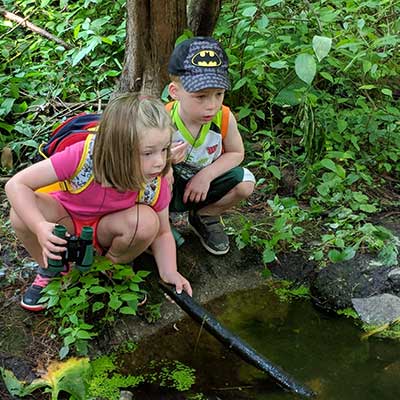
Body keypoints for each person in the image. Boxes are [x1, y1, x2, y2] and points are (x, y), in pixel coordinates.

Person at [5, 93, 192, 312]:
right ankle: (53, 269)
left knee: (147, 222)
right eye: (148, 153)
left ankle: (109, 269)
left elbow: (162, 232)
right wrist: (39, 226)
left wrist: (169, 270)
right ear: (117, 149)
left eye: (164, 150)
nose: (160, 162)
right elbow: (16, 185)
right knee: (19, 214)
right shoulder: (83, 156)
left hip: (108, 230)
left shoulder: (152, 182)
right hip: (66, 220)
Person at [167, 36, 255, 256]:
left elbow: (236, 152)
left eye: (219, 94)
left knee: (245, 182)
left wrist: (206, 175)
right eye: (201, 96)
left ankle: (205, 215)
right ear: (175, 92)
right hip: (170, 186)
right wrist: (165, 162)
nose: (212, 105)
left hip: (204, 185)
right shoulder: (161, 120)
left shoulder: (224, 117)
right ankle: (160, 223)